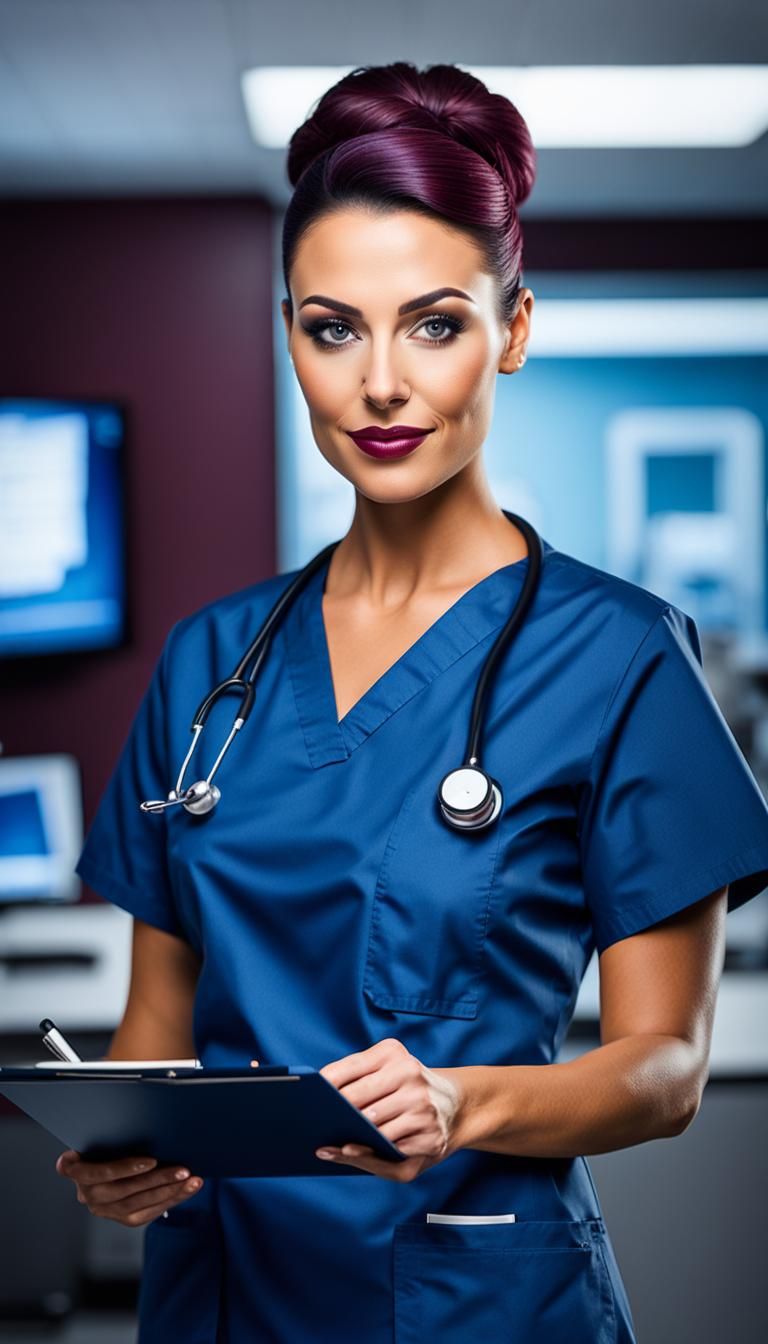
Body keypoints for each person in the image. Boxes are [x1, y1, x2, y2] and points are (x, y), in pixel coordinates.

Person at [56, 61, 768, 1343]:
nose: (380, 383)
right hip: (220, 1296)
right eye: (334, 328)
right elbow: (152, 1037)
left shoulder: (619, 657)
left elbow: (664, 1071)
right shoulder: (209, 662)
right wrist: (118, 1150)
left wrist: (465, 1103)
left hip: (473, 1296)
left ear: (516, 329)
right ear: (289, 337)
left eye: (435, 324)